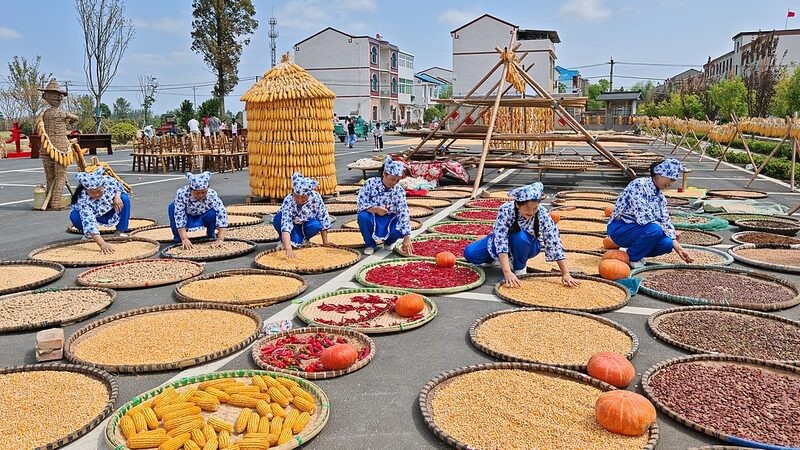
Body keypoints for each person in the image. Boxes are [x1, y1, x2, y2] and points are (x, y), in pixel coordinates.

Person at [463, 182, 579, 288]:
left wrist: (566, 273)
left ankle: (519, 267)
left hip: (527, 244)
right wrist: (507, 272)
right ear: (518, 205)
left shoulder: (542, 213)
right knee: (470, 254)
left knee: (521, 237)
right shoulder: (506, 210)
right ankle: (496, 259)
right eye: (528, 208)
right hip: (502, 242)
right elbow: (500, 239)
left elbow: (553, 241)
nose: (532, 212)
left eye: (535, 208)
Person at [607, 158, 694, 268]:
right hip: (621, 228)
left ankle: (633, 252)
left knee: (667, 244)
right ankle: (633, 257)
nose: (671, 183)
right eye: (670, 179)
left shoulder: (660, 196)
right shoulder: (639, 185)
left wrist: (679, 248)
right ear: (658, 174)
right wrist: (665, 231)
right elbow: (643, 218)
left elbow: (665, 220)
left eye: (674, 180)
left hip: (640, 230)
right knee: (655, 229)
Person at [357, 156, 413, 255]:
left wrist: (407, 237)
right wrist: (375, 209)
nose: (394, 183)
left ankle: (389, 242)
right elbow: (361, 202)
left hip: (390, 218)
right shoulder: (371, 183)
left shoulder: (399, 190)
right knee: (363, 216)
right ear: (384, 174)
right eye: (392, 179)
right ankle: (369, 244)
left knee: (402, 228)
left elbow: (403, 212)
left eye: (397, 180)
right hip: (372, 216)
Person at [69, 167, 131, 254]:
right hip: (95, 215)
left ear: (103, 186)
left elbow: (119, 186)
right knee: (75, 215)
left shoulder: (108, 181)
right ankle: (90, 235)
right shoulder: (82, 199)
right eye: (92, 192)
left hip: (109, 209)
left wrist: (117, 197)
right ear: (86, 190)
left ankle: (120, 231)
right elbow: (88, 221)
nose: (96, 194)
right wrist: (102, 244)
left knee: (124, 198)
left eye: (99, 191)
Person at [273, 172, 333, 257]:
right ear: (293, 192)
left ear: (309, 194)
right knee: (279, 218)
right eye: (297, 196)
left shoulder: (315, 198)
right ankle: (283, 241)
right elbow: (286, 224)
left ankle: (304, 239)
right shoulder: (289, 200)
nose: (299, 200)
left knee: (316, 225)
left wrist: (325, 241)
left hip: (305, 224)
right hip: (292, 225)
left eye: (303, 197)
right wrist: (288, 249)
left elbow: (323, 218)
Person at [169, 171, 228, 250]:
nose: (200, 195)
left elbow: (222, 213)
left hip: (203, 214)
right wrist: (184, 238)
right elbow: (179, 215)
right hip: (187, 215)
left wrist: (220, 239)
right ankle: (178, 238)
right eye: (197, 193)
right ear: (191, 189)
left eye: (204, 192)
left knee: (212, 213)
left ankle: (211, 234)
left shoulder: (211, 194)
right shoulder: (182, 193)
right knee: (172, 207)